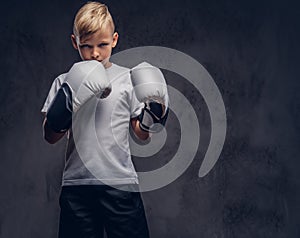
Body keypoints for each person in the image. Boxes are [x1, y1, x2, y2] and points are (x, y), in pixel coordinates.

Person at [41, 1, 168, 238]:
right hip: (77, 184)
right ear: (74, 42)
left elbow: (142, 135)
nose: (95, 53)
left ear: (115, 40)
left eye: (103, 44)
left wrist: (154, 112)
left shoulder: (128, 79)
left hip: (120, 183)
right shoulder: (65, 80)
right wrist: (68, 101)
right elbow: (50, 136)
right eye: (86, 46)